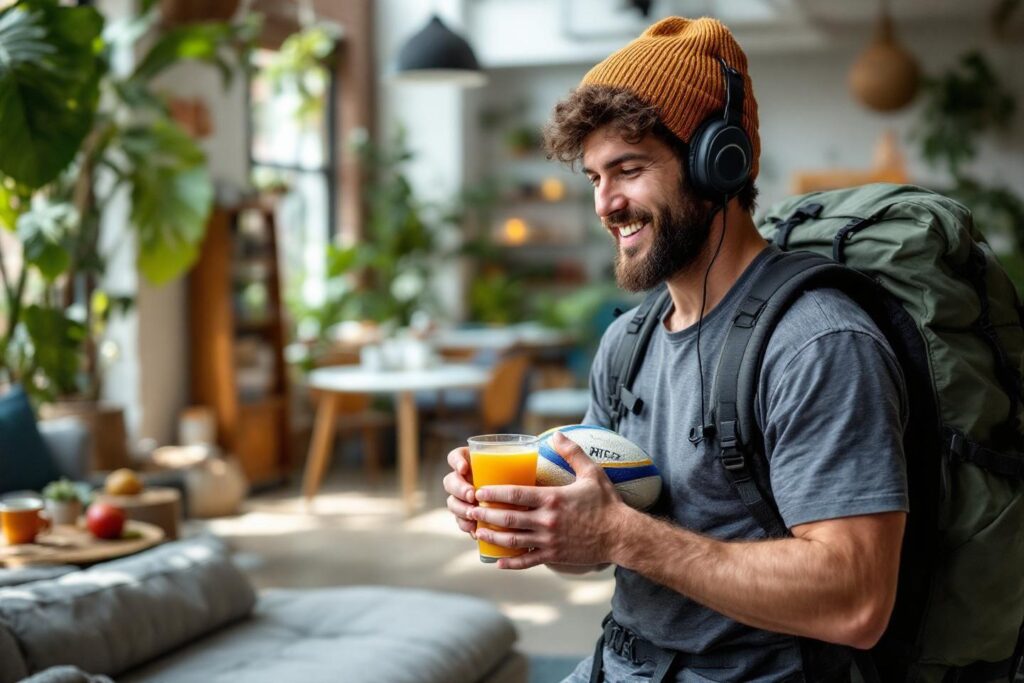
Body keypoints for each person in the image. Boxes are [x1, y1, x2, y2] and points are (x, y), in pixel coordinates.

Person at [443, 16, 908, 683]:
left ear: (717, 163)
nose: (606, 204)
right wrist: (543, 520)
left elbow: (858, 599)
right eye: (595, 178)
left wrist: (621, 536)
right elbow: (595, 543)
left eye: (628, 170)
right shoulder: (626, 343)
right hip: (622, 662)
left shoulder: (816, 343)